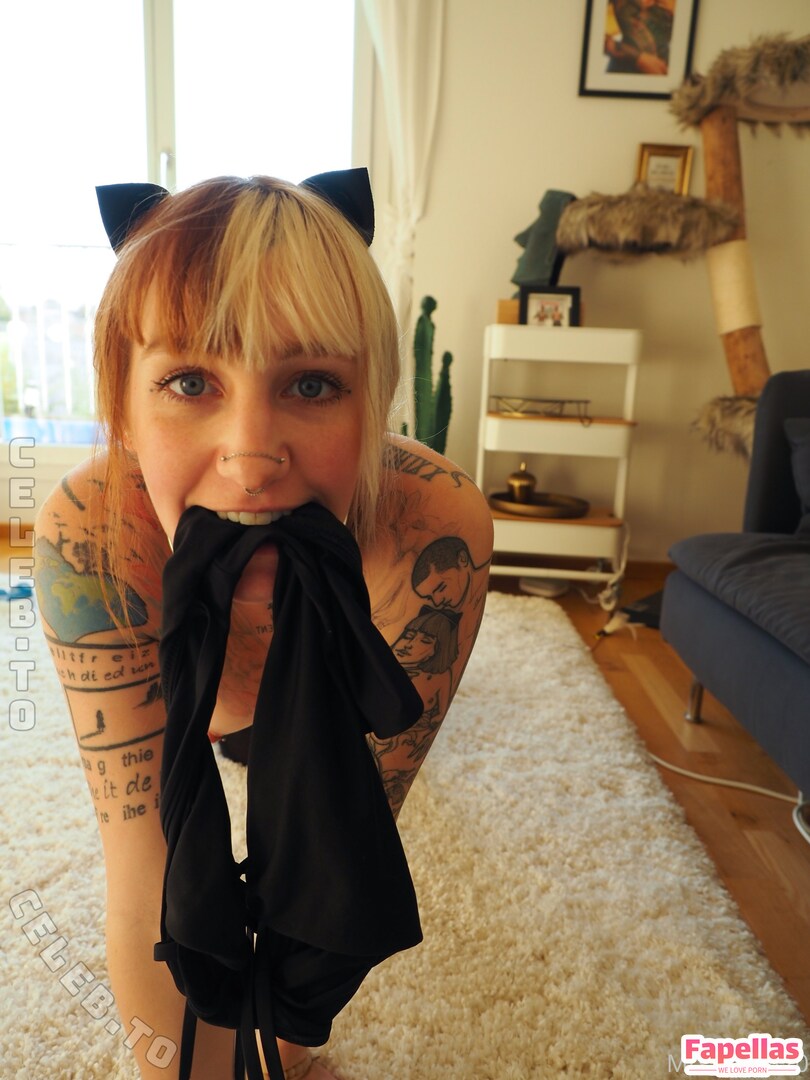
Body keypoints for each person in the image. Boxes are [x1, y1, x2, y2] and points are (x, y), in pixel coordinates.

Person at [33, 171, 493, 1080]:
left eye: (313, 383)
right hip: (195, 699)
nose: (251, 459)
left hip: (325, 691)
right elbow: (146, 873)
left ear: (375, 403)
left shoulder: (435, 533)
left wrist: (272, 1053)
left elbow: (339, 851)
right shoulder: (90, 544)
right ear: (123, 408)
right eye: (189, 381)